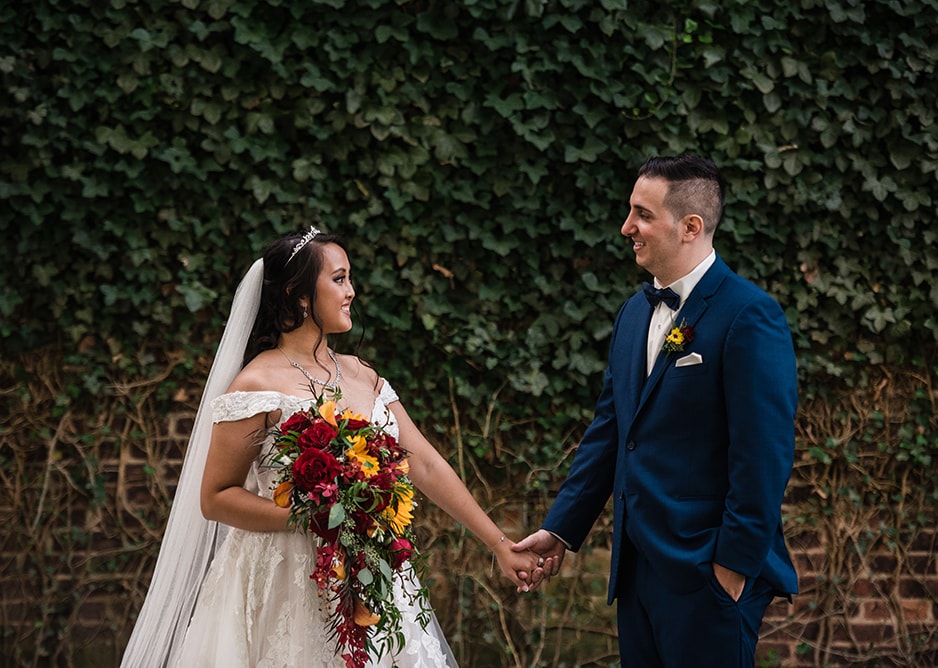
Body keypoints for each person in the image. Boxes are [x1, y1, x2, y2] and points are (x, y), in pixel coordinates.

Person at [121, 228, 539, 668]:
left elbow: (428, 464)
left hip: (371, 577)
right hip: (285, 579)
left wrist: (499, 543)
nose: (351, 292)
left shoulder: (363, 375)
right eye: (339, 279)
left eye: (349, 279)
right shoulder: (255, 385)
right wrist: (313, 519)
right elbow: (215, 498)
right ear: (299, 295)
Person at [512, 154, 799, 667]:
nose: (627, 228)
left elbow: (764, 455)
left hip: (707, 573)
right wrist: (560, 529)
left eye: (643, 214)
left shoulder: (750, 315)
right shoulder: (633, 312)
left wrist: (730, 568)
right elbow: (611, 432)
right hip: (637, 570)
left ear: (690, 226)